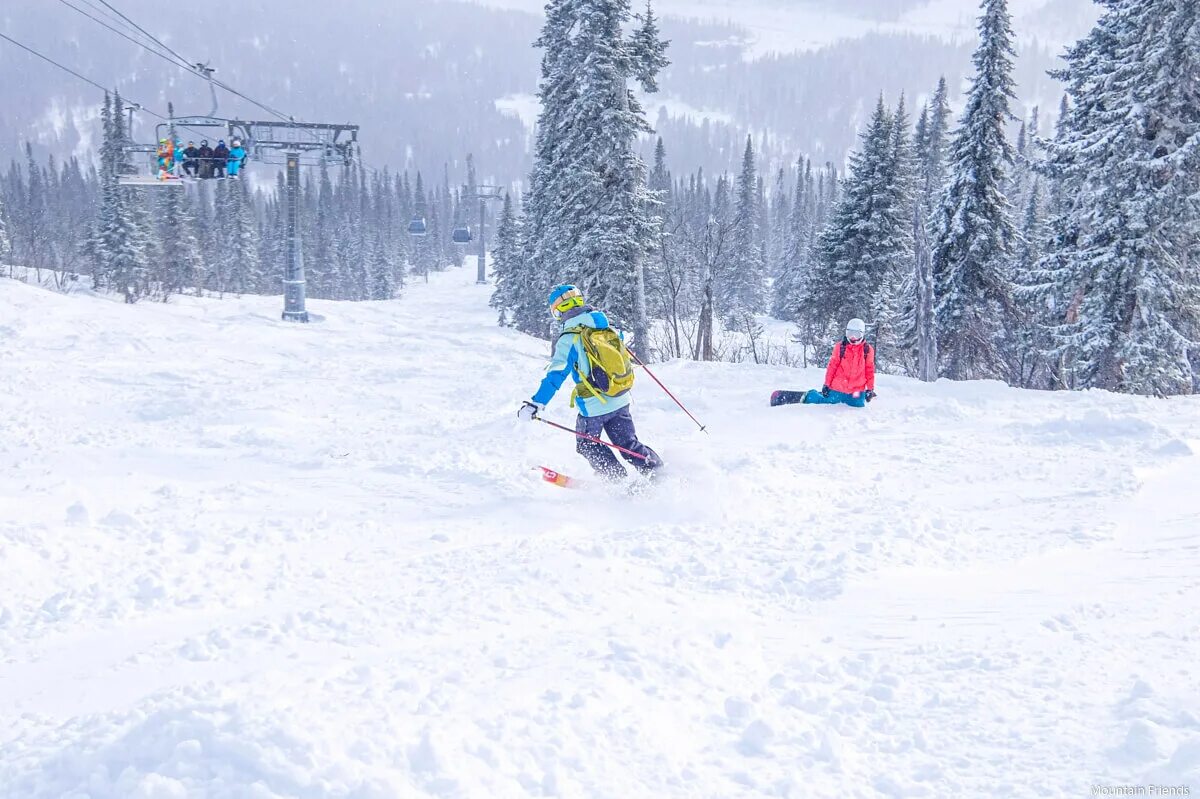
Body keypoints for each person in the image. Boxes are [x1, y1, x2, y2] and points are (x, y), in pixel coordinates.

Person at [518, 284, 663, 480]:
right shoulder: (605, 325)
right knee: (628, 444)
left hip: (594, 407)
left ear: (559, 310)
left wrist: (536, 403)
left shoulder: (569, 338)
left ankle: (615, 479)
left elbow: (556, 374)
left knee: (587, 444)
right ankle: (657, 471)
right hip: (620, 398)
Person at [771, 318, 877, 408]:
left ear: (862, 334)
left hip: (856, 391)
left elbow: (869, 370)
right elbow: (832, 366)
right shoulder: (841, 347)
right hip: (838, 387)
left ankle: (839, 396)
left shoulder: (867, 350)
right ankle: (809, 395)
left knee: (857, 407)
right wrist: (826, 384)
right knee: (826, 404)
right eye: (850, 333)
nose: (853, 338)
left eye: (856, 334)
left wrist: (870, 389)